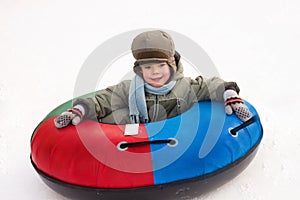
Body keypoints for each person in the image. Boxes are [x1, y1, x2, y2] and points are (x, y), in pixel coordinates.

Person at [54, 30, 252, 128]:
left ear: (172, 66)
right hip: (137, 140)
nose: (155, 72)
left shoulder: (185, 87)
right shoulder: (131, 88)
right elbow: (106, 98)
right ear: (139, 70)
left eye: (161, 66)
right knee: (111, 118)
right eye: (147, 67)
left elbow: (209, 85)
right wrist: (81, 109)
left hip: (174, 142)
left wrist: (229, 93)